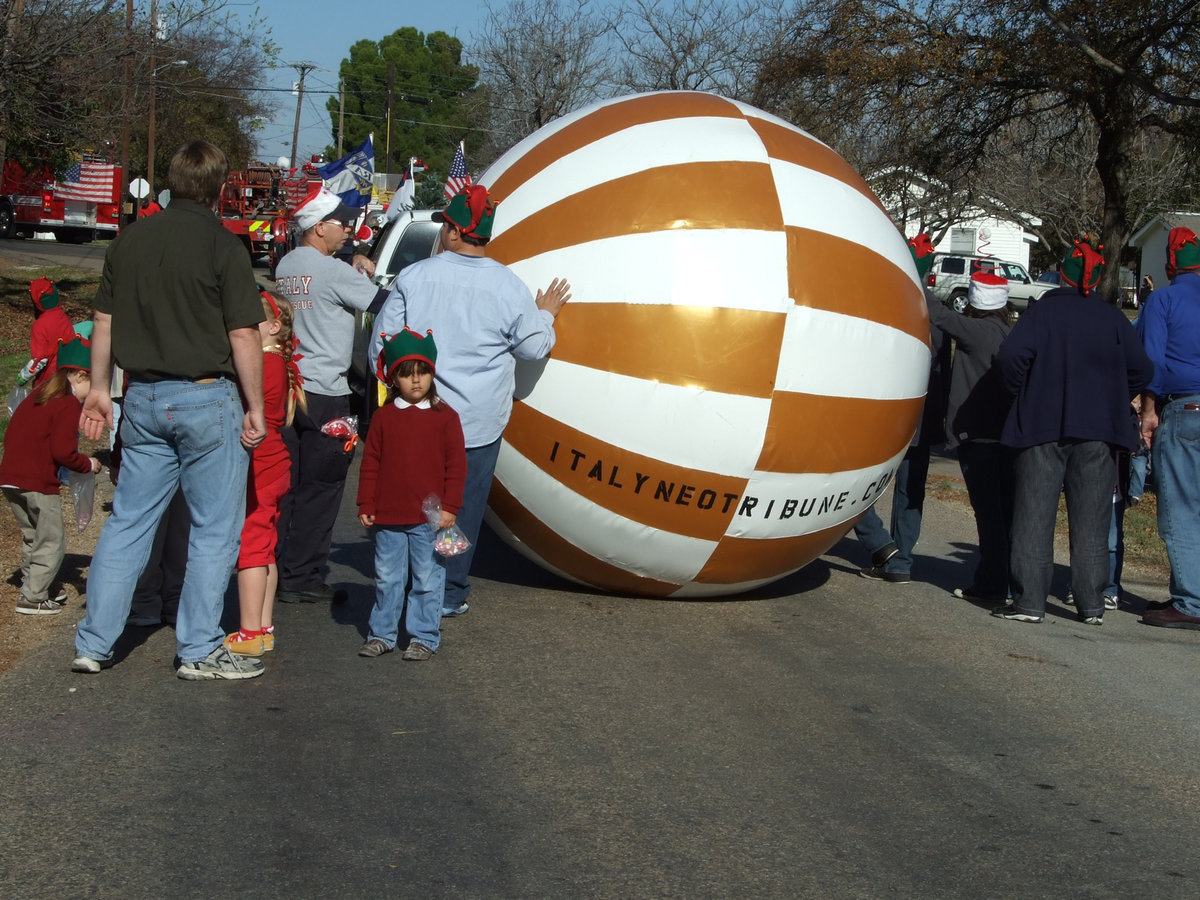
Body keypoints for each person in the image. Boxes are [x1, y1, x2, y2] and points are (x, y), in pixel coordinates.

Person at [72, 139, 267, 680]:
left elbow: (104, 321)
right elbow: (244, 333)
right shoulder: (224, 246)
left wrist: (96, 386)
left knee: (129, 523)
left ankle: (93, 643)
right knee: (211, 528)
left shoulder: (128, 242)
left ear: (172, 182)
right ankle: (199, 648)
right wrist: (256, 406)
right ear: (222, 187)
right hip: (206, 395)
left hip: (141, 396)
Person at [370, 183, 571, 617]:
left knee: (410, 500)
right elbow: (533, 347)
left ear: (455, 232)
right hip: (475, 425)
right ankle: (446, 591)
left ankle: (407, 582)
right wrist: (546, 314)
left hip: (418, 417)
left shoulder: (415, 277)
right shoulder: (507, 285)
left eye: (445, 224)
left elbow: (381, 345)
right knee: (457, 509)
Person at [992, 236, 1153, 626]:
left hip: (1041, 427)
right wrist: (1115, 396)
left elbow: (1009, 360)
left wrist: (1025, 394)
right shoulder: (1113, 318)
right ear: (1096, 280)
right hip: (1099, 431)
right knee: (1093, 522)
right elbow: (1143, 370)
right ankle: (1091, 605)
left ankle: (1030, 603)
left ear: (1061, 275)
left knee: (1033, 516)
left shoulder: (1041, 314)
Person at [273, 188, 385, 604]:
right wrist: (357, 272)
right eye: (342, 224)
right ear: (319, 227)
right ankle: (302, 578)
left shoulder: (287, 265)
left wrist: (349, 264)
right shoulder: (335, 273)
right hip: (330, 393)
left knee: (287, 484)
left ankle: (276, 566)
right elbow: (382, 302)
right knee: (323, 487)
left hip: (287, 388)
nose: (349, 230)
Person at [357, 328, 466, 660]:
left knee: (427, 578)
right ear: (393, 379)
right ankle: (382, 633)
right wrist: (366, 501)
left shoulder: (446, 418)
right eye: (407, 375)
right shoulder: (384, 418)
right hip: (389, 515)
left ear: (433, 373)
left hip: (429, 519)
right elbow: (370, 462)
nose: (416, 381)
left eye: (423, 372)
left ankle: (423, 636)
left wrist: (450, 506)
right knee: (388, 578)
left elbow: (457, 466)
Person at [858, 233, 950, 584]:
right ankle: (902, 557)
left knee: (852, 482)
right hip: (924, 418)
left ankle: (883, 545)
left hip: (888, 415)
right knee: (912, 491)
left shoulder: (888, 307)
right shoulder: (942, 317)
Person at [927, 270, 1016, 604]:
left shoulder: (976, 332)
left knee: (989, 514)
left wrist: (918, 272)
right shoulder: (1009, 334)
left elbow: (938, 313)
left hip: (979, 436)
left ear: (975, 301)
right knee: (1006, 513)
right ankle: (1005, 579)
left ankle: (992, 584)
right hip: (1007, 437)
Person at [225, 289, 305, 655]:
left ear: (273, 327)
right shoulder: (279, 364)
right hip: (276, 461)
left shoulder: (265, 365)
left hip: (262, 462)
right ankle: (264, 626)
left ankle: (248, 633)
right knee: (266, 548)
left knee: (251, 550)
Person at [0, 336, 101, 615]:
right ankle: (33, 597)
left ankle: (33, 583)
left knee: (33, 536)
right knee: (52, 540)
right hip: (38, 481)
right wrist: (88, 464)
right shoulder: (67, 403)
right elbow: (63, 452)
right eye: (94, 383)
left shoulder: (41, 393)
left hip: (10, 476)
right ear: (81, 375)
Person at [1137, 226, 1200, 630]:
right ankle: (1189, 588)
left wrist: (1148, 410)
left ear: (1169, 266)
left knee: (1180, 506)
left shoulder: (1163, 299)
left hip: (1185, 408)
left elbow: (1152, 362)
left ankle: (1191, 601)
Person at [19, 277, 76, 388]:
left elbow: (40, 359)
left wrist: (24, 375)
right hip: (68, 374)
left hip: (48, 381)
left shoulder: (40, 325)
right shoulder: (63, 316)